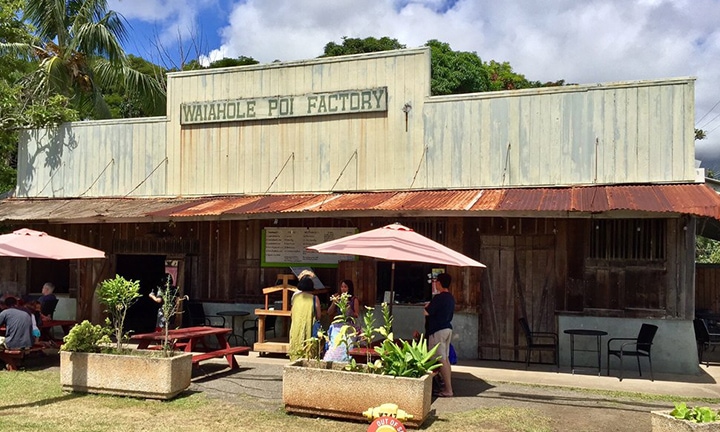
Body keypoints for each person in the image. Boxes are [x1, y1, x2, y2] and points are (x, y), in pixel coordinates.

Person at [424, 272, 455, 397]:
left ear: (440, 283)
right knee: (445, 358)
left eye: (436, 282)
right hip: (447, 328)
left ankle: (448, 389)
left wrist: (427, 306)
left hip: (437, 330)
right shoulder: (450, 298)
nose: (435, 284)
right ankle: (446, 385)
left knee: (440, 359)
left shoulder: (439, 298)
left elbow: (427, 312)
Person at [288, 275, 321, 360]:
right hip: (309, 328)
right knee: (308, 348)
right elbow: (318, 316)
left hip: (296, 328)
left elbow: (292, 313)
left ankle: (294, 360)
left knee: (296, 343)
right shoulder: (314, 298)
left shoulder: (295, 297)